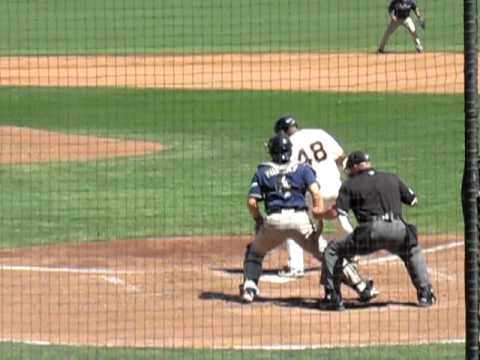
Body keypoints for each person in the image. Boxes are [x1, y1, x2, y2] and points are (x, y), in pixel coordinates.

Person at [240, 132, 376, 304]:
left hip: (273, 222)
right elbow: (315, 192)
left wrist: (259, 220)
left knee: (254, 252)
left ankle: (249, 288)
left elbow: (252, 202)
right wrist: (317, 213)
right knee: (329, 254)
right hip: (300, 221)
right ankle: (362, 287)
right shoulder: (302, 168)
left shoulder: (263, 171)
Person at [320, 151, 437, 310]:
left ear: (355, 167)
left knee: (333, 250)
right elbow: (413, 200)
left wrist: (318, 214)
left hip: (370, 232)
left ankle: (332, 297)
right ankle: (426, 294)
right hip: (398, 229)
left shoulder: (349, 185)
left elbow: (338, 213)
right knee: (412, 250)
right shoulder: (391, 177)